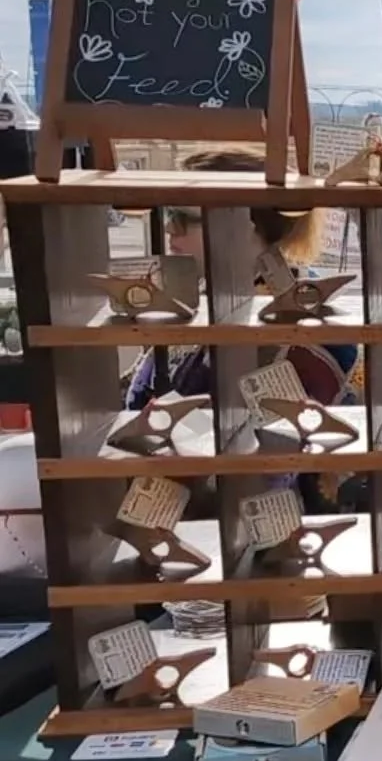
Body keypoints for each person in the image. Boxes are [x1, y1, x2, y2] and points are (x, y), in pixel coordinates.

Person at [125, 146, 362, 512]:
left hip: (241, 534)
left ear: (241, 225)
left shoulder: (288, 336)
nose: (169, 228)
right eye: (168, 214)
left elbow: (265, 475)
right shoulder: (216, 302)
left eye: (183, 216)